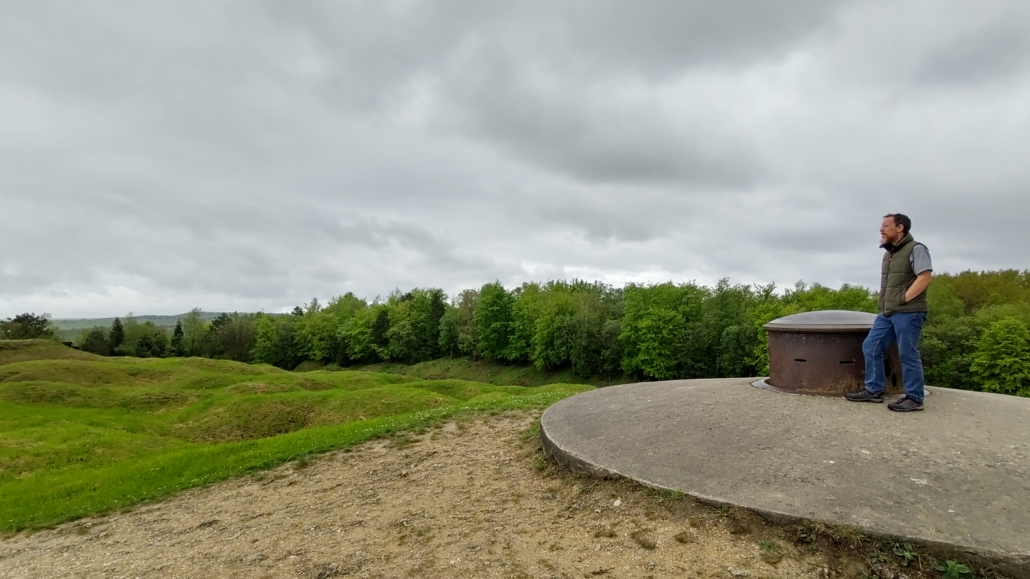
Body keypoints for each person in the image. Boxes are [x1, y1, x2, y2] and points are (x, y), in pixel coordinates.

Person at [845, 213, 932, 412]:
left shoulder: (916, 248)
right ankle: (874, 390)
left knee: (907, 353)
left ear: (899, 227)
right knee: (871, 346)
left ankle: (915, 398)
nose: (881, 229)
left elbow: (925, 277)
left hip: (909, 312)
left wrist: (903, 299)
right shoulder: (889, 253)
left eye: (885, 225)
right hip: (888, 312)